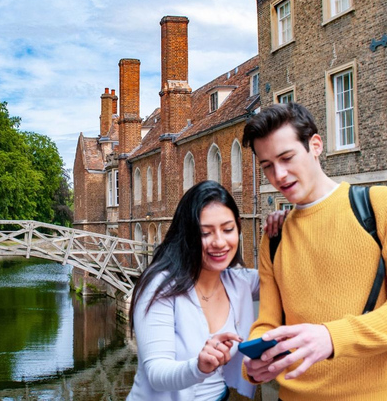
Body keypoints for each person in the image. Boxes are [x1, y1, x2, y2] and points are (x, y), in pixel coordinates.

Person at [241, 102, 387, 400]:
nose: (279, 175)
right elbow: (268, 322)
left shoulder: (377, 206)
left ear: (315, 145)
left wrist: (333, 337)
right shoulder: (274, 236)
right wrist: (254, 363)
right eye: (267, 166)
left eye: (287, 157)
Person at [127, 180, 259, 401]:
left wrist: (280, 233)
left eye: (228, 229)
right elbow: (156, 373)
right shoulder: (160, 287)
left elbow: (288, 278)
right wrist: (198, 366)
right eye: (205, 233)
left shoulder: (240, 281)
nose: (219, 242)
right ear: (187, 235)